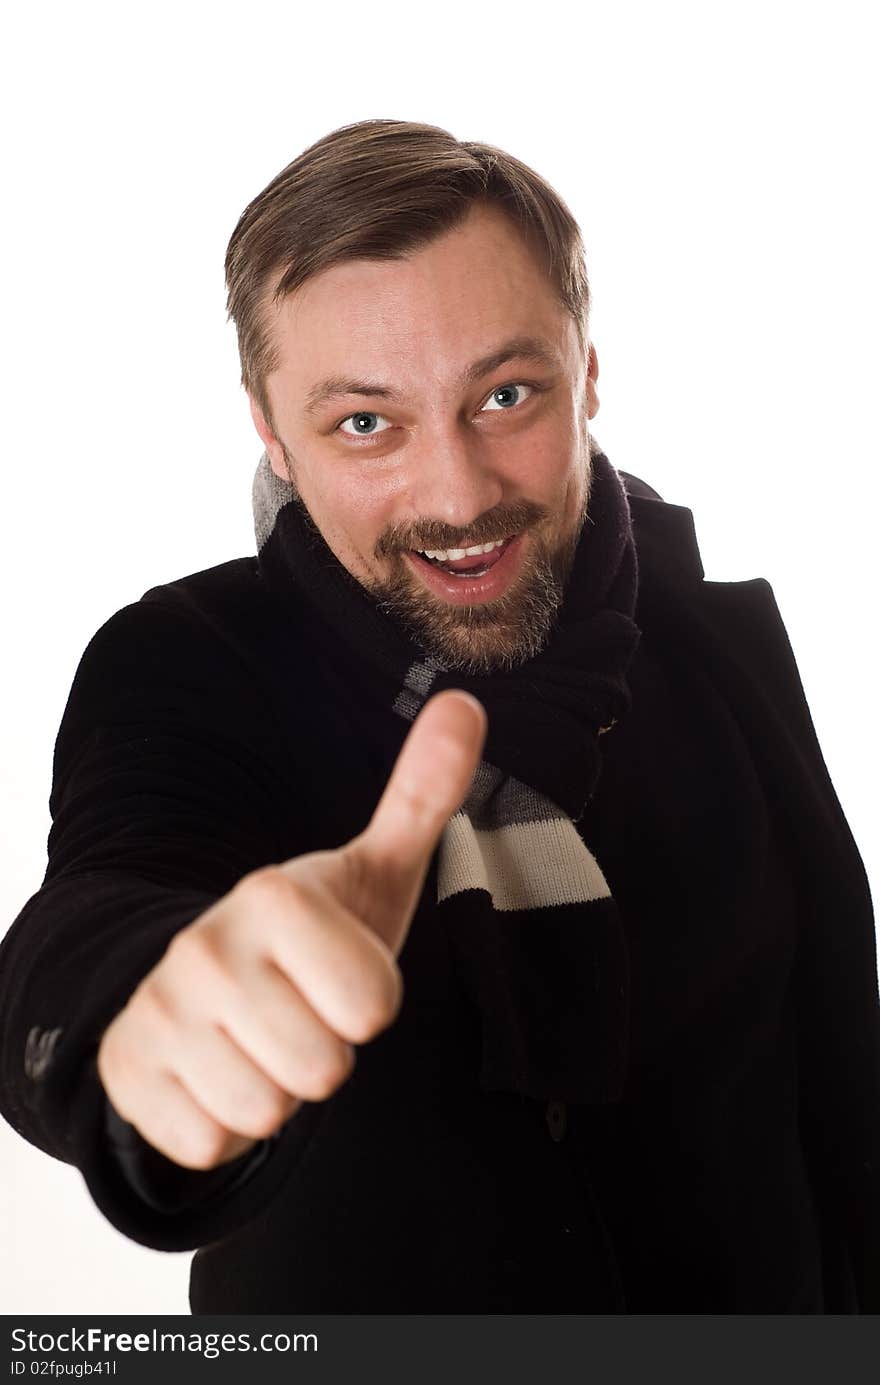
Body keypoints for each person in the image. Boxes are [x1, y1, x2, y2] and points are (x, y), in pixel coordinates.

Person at [1, 118, 877, 1315]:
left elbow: (832, 1077)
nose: (457, 494)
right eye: (366, 421)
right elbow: (105, 894)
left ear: (590, 371)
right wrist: (147, 1008)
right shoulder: (187, 663)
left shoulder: (717, 637)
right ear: (270, 426)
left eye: (506, 394)